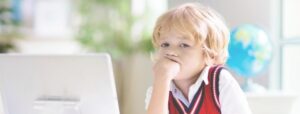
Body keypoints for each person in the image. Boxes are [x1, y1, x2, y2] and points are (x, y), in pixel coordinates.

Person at [145, 3, 252, 114]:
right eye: (165, 44)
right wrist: (162, 79)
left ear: (209, 54)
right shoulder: (158, 89)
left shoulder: (220, 82)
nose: (171, 52)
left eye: (184, 45)